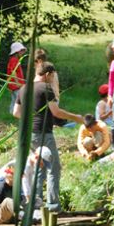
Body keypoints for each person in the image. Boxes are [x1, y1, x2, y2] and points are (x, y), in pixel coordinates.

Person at [13, 62, 82, 212]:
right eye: (52, 76)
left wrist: (31, 118)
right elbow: (56, 112)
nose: (53, 79)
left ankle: (36, 203)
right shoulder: (46, 88)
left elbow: (16, 112)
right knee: (53, 167)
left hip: (29, 133)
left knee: (39, 167)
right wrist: (76, 118)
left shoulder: (24, 89)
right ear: (48, 74)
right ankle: (53, 206)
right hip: (43, 133)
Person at [7, 42, 27, 113]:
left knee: (14, 99)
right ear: (17, 51)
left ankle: (12, 112)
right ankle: (19, 113)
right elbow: (13, 71)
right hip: (16, 85)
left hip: (14, 84)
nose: (23, 52)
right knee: (20, 100)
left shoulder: (14, 59)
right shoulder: (14, 60)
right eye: (21, 51)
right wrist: (17, 82)